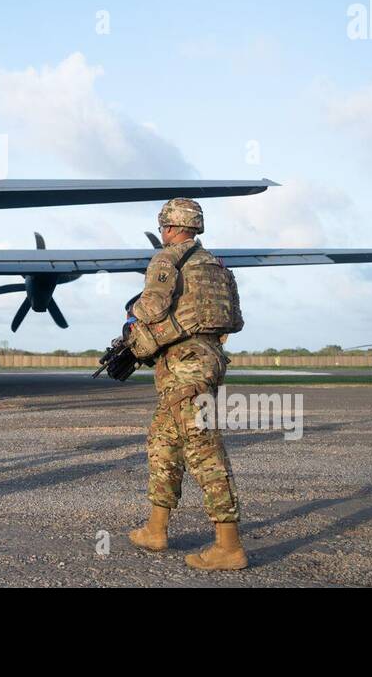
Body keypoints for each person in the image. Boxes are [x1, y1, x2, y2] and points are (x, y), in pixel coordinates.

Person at [124, 198, 248, 570]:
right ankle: (155, 529)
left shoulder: (167, 259)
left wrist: (133, 317)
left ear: (168, 226)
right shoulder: (215, 265)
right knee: (162, 442)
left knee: (203, 449)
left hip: (185, 367)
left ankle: (229, 546)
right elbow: (234, 320)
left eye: (163, 225)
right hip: (206, 358)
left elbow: (151, 308)